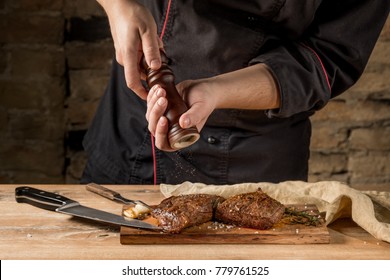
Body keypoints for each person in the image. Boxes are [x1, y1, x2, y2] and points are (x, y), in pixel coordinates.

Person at [81, 0, 389, 185]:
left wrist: (215, 91)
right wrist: (119, 7)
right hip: (132, 133)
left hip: (256, 154)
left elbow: (328, 56)